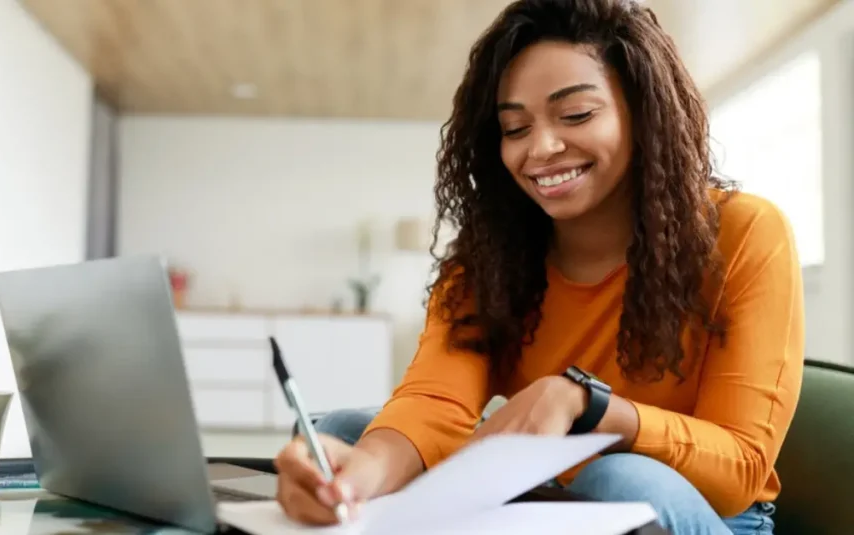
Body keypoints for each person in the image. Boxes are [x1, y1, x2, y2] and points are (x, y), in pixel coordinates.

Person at [272, 0, 804, 533]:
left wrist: (585, 404)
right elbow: (435, 400)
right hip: (550, 498)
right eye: (514, 127)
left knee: (619, 480)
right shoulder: (488, 260)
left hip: (709, 513)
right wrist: (358, 476)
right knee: (346, 432)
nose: (542, 148)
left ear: (643, 113)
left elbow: (740, 467)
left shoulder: (745, 233)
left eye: (576, 115)